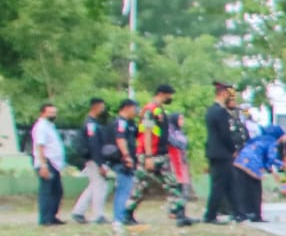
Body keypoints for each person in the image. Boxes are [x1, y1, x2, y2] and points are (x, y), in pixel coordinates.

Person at [134, 83, 194, 227]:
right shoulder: (150, 110)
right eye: (169, 95)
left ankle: (178, 213)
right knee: (141, 187)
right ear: (161, 94)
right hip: (151, 155)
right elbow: (147, 133)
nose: (171, 98)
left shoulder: (160, 111)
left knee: (172, 184)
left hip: (161, 154)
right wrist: (148, 156)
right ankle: (126, 213)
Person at [202, 82, 243, 224]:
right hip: (222, 153)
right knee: (219, 185)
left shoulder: (210, 110)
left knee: (229, 183)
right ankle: (210, 214)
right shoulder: (220, 112)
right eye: (228, 93)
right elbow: (225, 134)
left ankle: (238, 212)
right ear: (223, 94)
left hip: (214, 152)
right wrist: (233, 150)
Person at [70, 97, 112, 225]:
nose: (103, 109)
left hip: (93, 158)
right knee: (100, 186)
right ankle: (97, 215)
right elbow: (94, 145)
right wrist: (99, 163)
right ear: (96, 106)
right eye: (102, 106)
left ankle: (78, 211)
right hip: (94, 159)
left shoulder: (92, 122)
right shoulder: (91, 124)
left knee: (94, 185)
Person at [233, 123, 286, 221]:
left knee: (243, 189)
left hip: (240, 162)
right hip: (253, 164)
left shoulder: (259, 139)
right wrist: (282, 165)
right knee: (255, 190)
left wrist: (271, 171)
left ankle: (243, 213)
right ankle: (256, 215)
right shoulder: (272, 142)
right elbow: (271, 158)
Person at [31, 102, 65, 226]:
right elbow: (40, 146)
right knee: (47, 192)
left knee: (57, 191)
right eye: (50, 113)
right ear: (43, 113)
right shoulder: (41, 127)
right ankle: (45, 218)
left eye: (54, 113)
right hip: (47, 162)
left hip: (54, 164)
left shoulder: (50, 126)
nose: (53, 115)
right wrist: (43, 165)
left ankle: (51, 216)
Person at [109, 98, 141, 227]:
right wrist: (127, 156)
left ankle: (121, 216)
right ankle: (119, 217)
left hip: (127, 160)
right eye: (135, 109)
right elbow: (120, 139)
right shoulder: (121, 123)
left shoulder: (130, 123)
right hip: (122, 161)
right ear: (127, 108)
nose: (136, 112)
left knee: (126, 189)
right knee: (124, 189)